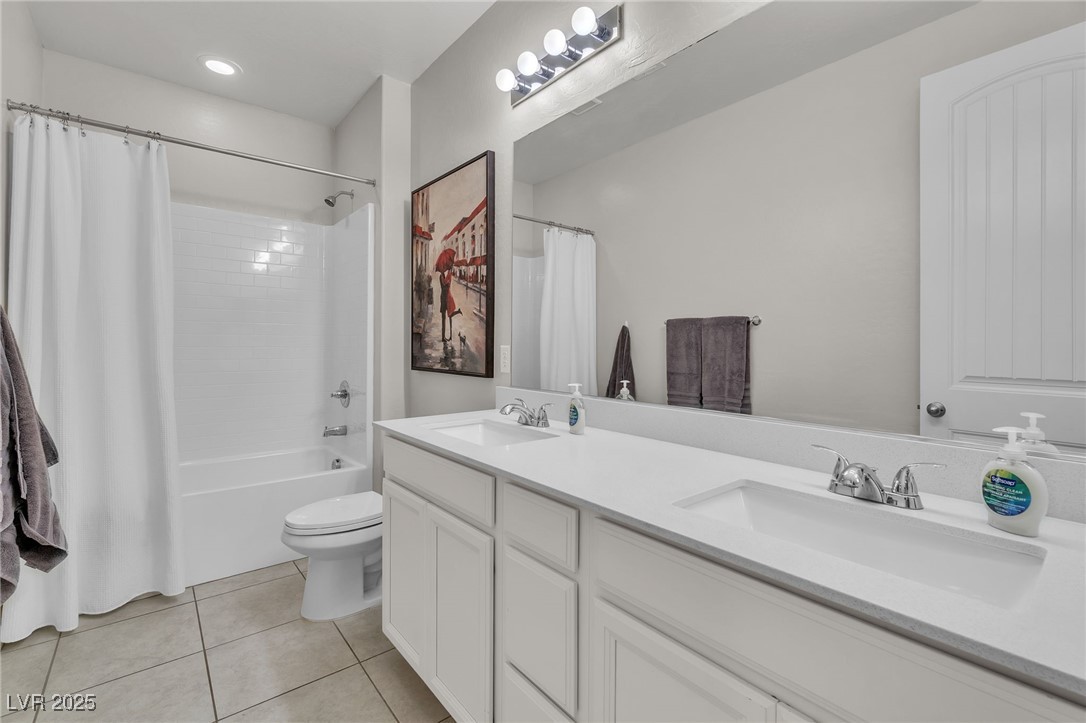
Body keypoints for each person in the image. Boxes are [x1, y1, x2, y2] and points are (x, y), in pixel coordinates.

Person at [438, 269, 462, 342]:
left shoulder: (444, 276)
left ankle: (447, 336)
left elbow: (446, 284)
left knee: (449, 315)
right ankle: (443, 337)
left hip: (446, 299)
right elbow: (444, 285)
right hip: (443, 299)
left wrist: (448, 283)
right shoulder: (441, 276)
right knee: (443, 319)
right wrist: (447, 284)